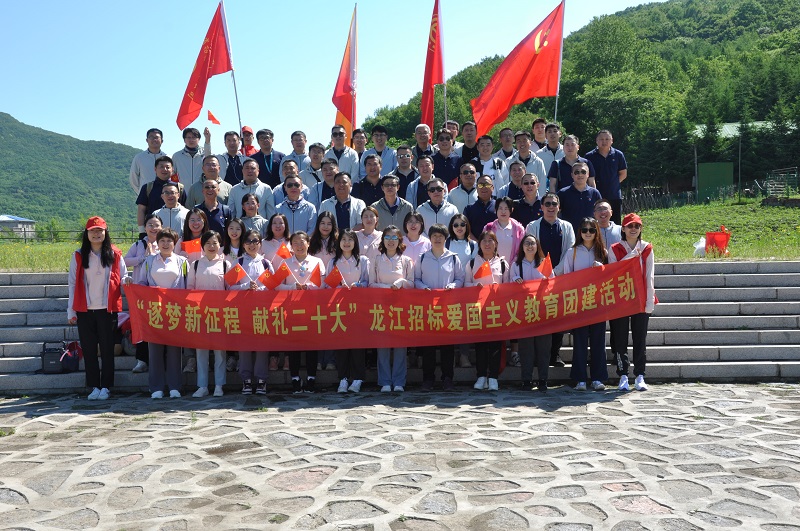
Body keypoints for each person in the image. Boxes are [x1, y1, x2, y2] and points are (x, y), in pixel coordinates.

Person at [68, 216, 126, 400]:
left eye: (100, 230)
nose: (96, 234)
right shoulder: (79, 255)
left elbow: (124, 276)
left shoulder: (115, 254)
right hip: (85, 310)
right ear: (86, 233)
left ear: (105, 232)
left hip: (107, 310)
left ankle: (106, 386)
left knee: (107, 349)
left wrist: (128, 281)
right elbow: (72, 283)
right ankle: (94, 386)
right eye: (92, 231)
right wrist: (71, 310)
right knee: (89, 349)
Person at [525, 192, 575, 367]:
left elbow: (570, 251)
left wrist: (554, 272)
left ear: (559, 207)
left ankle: (555, 354)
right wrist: (543, 272)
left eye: (554, 204)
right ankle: (539, 356)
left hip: (559, 278)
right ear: (542, 207)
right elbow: (529, 250)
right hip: (537, 278)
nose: (551, 207)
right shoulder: (532, 226)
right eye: (547, 204)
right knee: (539, 317)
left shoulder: (567, 226)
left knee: (558, 316)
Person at [138, 228, 188, 399]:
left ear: (175, 243)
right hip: (155, 310)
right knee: (155, 350)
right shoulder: (149, 261)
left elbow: (187, 285)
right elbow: (142, 283)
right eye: (162, 241)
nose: (166, 244)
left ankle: (175, 386)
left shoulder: (182, 261)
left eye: (169, 241)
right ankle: (156, 387)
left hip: (175, 310)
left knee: (175, 349)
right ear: (157, 243)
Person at [414, 224, 464, 390]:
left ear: (445, 238)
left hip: (447, 307)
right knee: (428, 345)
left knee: (447, 345)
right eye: (434, 236)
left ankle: (447, 377)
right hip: (428, 307)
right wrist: (423, 288)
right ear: (430, 238)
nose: (437, 239)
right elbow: (416, 279)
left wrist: (453, 286)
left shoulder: (453, 258)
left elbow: (460, 278)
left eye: (440, 236)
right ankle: (428, 378)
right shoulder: (422, 258)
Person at [609, 213, 655, 392]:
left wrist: (649, 300)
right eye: (630, 226)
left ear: (641, 229)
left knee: (640, 338)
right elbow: (614, 272)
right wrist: (632, 256)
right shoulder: (615, 248)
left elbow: (649, 275)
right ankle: (623, 375)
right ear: (623, 229)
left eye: (637, 226)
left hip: (641, 298)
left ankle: (640, 375)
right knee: (620, 339)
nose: (633, 229)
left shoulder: (647, 248)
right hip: (621, 300)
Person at [276, 231, 326, 393]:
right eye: (295, 243)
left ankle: (311, 378)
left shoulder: (317, 261)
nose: (299, 246)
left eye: (302, 242)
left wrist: (309, 287)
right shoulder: (285, 263)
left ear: (308, 243)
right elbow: (277, 285)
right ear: (291, 246)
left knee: (312, 344)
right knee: (294, 345)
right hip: (292, 310)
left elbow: (323, 285)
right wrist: (293, 287)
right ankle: (295, 378)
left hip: (312, 309)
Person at [563, 217, 609, 392]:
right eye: (584, 230)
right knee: (580, 342)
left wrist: (602, 270)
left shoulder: (603, 252)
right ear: (579, 232)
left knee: (598, 342)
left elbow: (610, 278)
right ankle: (580, 379)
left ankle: (598, 378)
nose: (588, 233)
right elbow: (566, 279)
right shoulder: (572, 252)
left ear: (597, 232)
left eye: (592, 230)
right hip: (579, 304)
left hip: (598, 303)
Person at [369, 225, 414, 392]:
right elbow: (371, 284)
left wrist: (401, 282)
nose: (390, 241)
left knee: (400, 345)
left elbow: (412, 283)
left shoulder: (406, 260)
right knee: (383, 346)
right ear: (383, 240)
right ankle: (385, 381)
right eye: (387, 237)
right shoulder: (376, 260)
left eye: (394, 237)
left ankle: (399, 381)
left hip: (400, 308)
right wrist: (386, 287)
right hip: (381, 308)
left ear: (399, 241)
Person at [230, 229, 275, 395]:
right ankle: (246, 380)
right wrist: (245, 287)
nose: (252, 245)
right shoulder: (238, 263)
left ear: (260, 244)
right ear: (243, 245)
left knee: (262, 345)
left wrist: (260, 289)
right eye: (248, 241)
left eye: (255, 241)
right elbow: (230, 286)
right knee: (244, 346)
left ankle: (261, 380)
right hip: (243, 310)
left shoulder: (266, 263)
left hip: (262, 310)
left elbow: (273, 286)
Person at [465, 231, 510, 391]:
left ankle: (493, 377)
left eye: (491, 240)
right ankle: (481, 376)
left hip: (496, 309)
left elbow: (508, 287)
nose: (487, 243)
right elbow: (465, 284)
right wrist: (474, 286)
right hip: (478, 310)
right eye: (484, 240)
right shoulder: (472, 263)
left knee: (496, 344)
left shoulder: (503, 264)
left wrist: (499, 288)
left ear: (496, 244)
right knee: (481, 344)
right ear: (479, 244)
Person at [187, 230, 230, 398]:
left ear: (220, 245)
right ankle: (202, 385)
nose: (211, 246)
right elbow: (190, 288)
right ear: (202, 246)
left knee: (220, 351)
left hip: (220, 313)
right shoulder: (195, 264)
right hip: (200, 313)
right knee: (201, 350)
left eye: (215, 243)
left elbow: (231, 288)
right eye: (208, 243)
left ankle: (219, 385)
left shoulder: (226, 264)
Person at [327, 229, 369, 393]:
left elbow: (367, 282)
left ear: (355, 242)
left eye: (350, 239)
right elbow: (327, 285)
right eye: (343, 239)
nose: (346, 243)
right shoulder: (333, 262)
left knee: (358, 343)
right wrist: (339, 287)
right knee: (342, 344)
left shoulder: (362, 260)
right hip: (339, 308)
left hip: (358, 308)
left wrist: (358, 286)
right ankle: (343, 378)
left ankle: (358, 379)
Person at [512, 234, 553, 392]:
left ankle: (543, 379)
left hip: (543, 311)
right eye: (527, 243)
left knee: (544, 348)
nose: (530, 246)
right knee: (526, 348)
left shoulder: (544, 263)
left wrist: (547, 283)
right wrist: (515, 280)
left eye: (532, 243)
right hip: (525, 312)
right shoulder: (516, 265)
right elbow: (508, 288)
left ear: (537, 246)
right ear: (522, 247)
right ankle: (526, 380)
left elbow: (554, 284)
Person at [124, 213, 162, 374]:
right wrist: (142, 258)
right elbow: (125, 261)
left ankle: (160, 360)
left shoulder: (165, 243)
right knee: (141, 325)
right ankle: (142, 360)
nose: (153, 228)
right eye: (150, 225)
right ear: (145, 228)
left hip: (159, 292)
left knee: (159, 325)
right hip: (140, 292)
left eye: (156, 225)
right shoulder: (138, 244)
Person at [446, 214, 478, 368]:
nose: (459, 228)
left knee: (464, 324)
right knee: (450, 323)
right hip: (449, 289)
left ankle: (464, 356)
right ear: (451, 227)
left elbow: (475, 266)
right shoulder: (446, 242)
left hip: (467, 290)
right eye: (456, 225)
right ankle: (450, 357)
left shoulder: (473, 245)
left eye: (462, 225)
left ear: (467, 227)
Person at [584, 130, 628, 225]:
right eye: (601, 139)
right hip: (596, 195)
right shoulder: (589, 156)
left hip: (614, 195)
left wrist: (613, 183)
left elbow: (623, 173)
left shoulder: (618, 155)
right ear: (596, 141)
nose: (604, 141)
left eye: (607, 139)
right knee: (595, 223)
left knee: (615, 222)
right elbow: (586, 176)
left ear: (612, 140)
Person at [136, 156, 184, 237]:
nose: (164, 169)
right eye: (161, 167)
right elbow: (141, 210)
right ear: (155, 169)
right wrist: (142, 231)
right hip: (153, 232)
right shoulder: (148, 187)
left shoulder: (179, 188)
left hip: (178, 232)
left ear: (172, 170)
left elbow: (185, 208)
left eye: (167, 167)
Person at [558, 161, 603, 233]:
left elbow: (600, 213)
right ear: (572, 175)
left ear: (588, 174)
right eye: (576, 172)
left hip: (589, 233)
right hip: (569, 233)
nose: (580, 175)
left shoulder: (595, 193)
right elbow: (557, 214)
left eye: (583, 172)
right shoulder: (563, 193)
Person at [483, 197, 525, 262]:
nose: (503, 212)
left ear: (511, 210)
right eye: (500, 208)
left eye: (506, 209)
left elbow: (522, 251)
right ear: (496, 210)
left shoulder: (519, 229)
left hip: (513, 266)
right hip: (492, 266)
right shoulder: (488, 228)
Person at [130, 128, 167, 193]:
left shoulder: (167, 157)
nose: (154, 140)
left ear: (162, 140)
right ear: (147, 140)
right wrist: (141, 193)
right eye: (151, 137)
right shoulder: (139, 157)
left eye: (157, 137)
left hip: (165, 195)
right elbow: (133, 178)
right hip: (146, 194)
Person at [509, 131, 547, 197]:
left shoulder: (538, 161)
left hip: (533, 199)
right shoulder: (509, 161)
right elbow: (507, 181)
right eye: (519, 141)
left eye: (524, 140)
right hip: (513, 196)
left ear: (530, 142)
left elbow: (542, 183)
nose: (522, 143)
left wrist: (540, 199)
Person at [464, 175, 497, 240]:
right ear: (476, 188)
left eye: (487, 185)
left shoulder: (499, 206)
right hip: (475, 245)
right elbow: (466, 229)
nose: (484, 187)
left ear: (492, 188)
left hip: (497, 244)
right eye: (480, 185)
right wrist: (477, 244)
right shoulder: (469, 208)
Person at [309, 212, 339, 283]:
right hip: (316, 280)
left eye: (329, 224)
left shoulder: (338, 242)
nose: (326, 226)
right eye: (322, 223)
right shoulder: (310, 242)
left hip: (334, 280)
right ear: (318, 224)